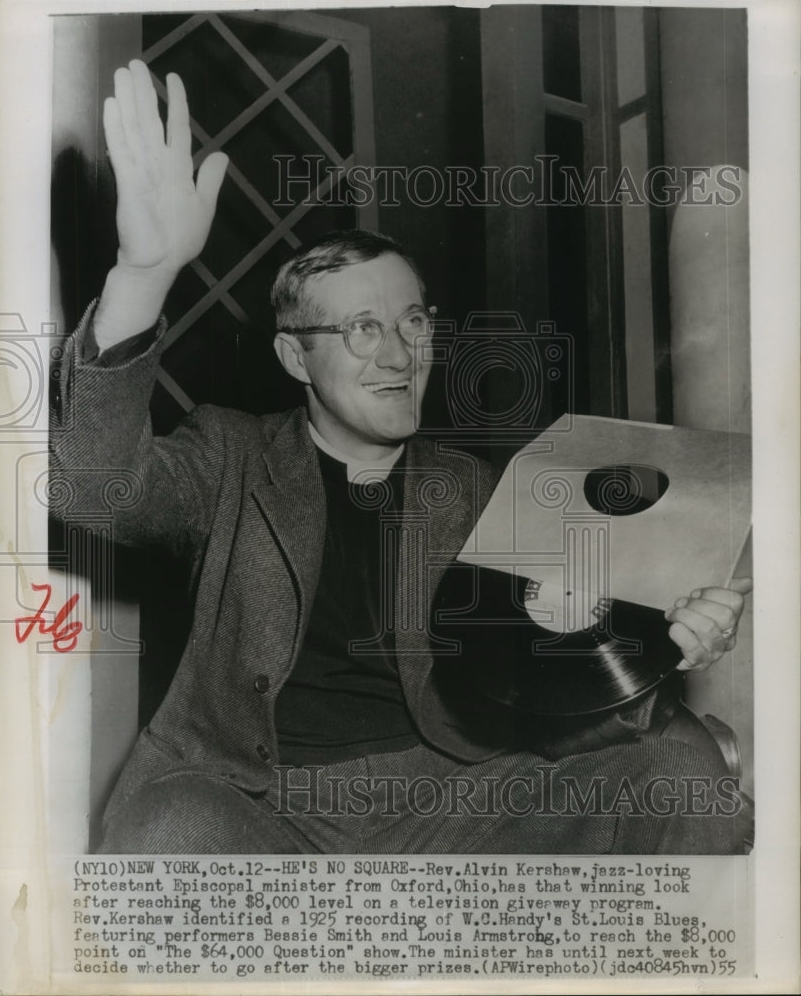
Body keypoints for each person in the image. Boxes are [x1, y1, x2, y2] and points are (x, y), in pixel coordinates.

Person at [50, 60, 752, 854]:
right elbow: (93, 490)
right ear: (293, 358)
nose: (399, 354)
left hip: (449, 796)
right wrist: (143, 277)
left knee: (682, 774)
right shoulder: (230, 454)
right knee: (170, 832)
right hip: (261, 801)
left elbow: (555, 683)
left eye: (413, 322)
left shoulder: (477, 488)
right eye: (361, 330)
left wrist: (668, 647)